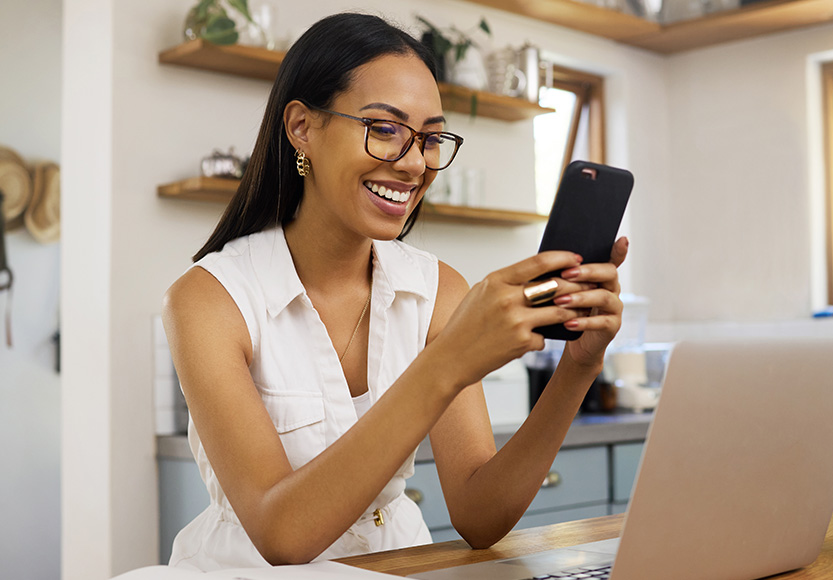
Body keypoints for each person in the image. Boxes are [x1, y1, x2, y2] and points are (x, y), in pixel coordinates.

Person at [161, 12, 629, 570]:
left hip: (398, 564)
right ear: (301, 127)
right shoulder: (208, 300)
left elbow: (481, 516)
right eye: (384, 129)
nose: (413, 164)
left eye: (430, 138)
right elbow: (281, 535)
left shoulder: (437, 290)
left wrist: (577, 367)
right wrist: (450, 360)